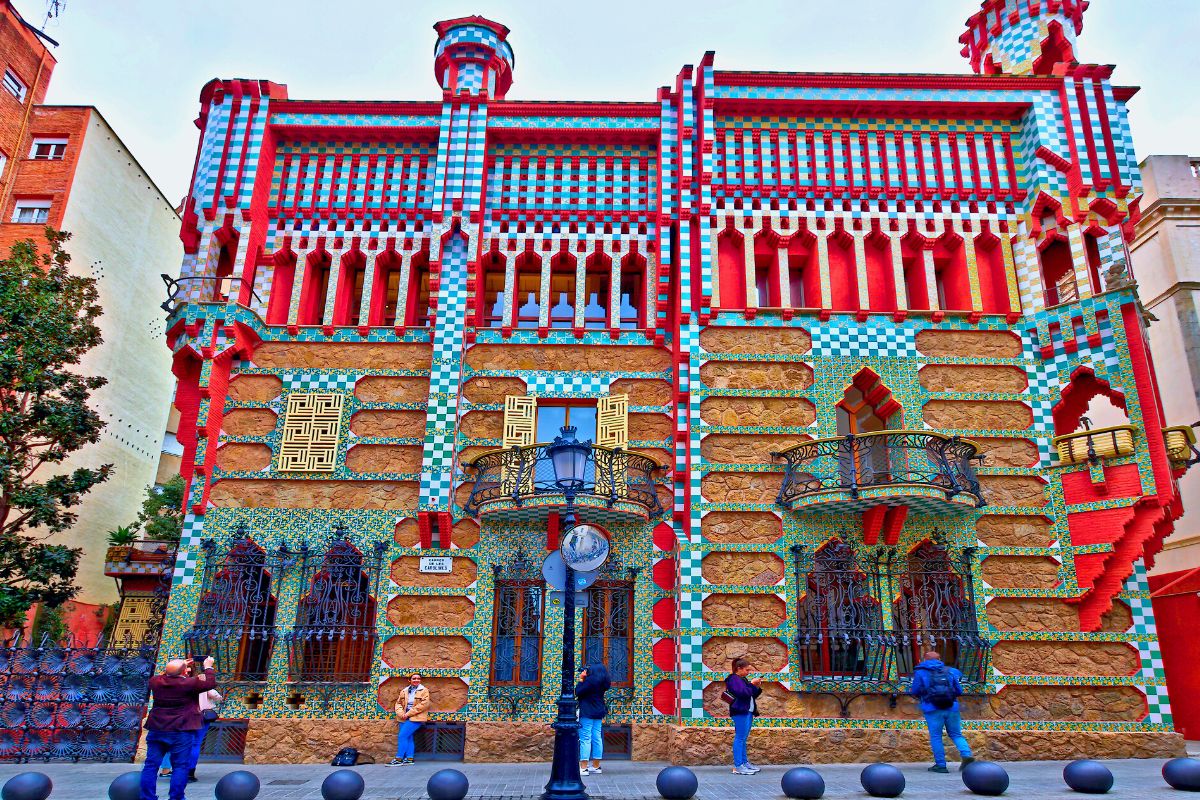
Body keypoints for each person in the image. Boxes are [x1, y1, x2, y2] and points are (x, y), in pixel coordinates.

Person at [140, 656, 215, 800]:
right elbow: (210, 683)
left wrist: (179, 666)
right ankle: (176, 797)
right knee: (180, 766)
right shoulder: (189, 683)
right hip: (181, 730)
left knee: (150, 765)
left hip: (157, 729)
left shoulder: (155, 682)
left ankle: (147, 797)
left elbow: (165, 674)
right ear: (184, 673)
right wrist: (208, 667)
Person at [910, 650, 976, 773]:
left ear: (924, 659)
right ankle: (966, 755)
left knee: (936, 736)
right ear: (940, 659)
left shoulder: (920, 672)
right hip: (952, 707)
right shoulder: (950, 671)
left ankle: (940, 765)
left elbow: (915, 690)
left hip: (932, 708)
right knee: (956, 734)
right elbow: (959, 691)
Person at [724, 657, 762, 776]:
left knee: (743, 738)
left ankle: (744, 763)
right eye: (746, 670)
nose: (748, 672)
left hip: (748, 711)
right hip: (740, 711)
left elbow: (751, 694)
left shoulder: (742, 679)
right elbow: (743, 693)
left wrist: (757, 686)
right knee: (740, 738)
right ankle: (738, 766)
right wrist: (751, 684)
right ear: (738, 669)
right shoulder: (733, 679)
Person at [575, 662, 611, 776]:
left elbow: (578, 692)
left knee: (585, 738)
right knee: (597, 737)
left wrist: (581, 679)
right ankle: (596, 766)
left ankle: (584, 767)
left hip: (587, 711)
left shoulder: (590, 681)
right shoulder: (603, 682)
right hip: (598, 711)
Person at [387, 673, 431, 766]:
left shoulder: (424, 690)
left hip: (416, 718)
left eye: (418, 679)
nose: (416, 680)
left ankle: (399, 759)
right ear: (409, 680)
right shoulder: (404, 691)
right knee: (409, 737)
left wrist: (408, 714)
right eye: (414, 678)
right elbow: (398, 703)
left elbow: (423, 705)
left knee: (402, 736)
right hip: (403, 717)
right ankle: (409, 758)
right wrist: (401, 713)